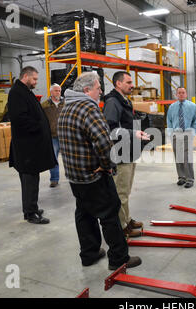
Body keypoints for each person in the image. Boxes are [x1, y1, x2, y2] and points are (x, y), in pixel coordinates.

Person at [57, 72, 141, 270]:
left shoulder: (66, 108)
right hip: (94, 175)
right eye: (98, 88)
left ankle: (90, 253)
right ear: (87, 90)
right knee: (110, 213)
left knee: (84, 214)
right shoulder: (88, 109)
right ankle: (119, 258)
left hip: (75, 176)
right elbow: (104, 143)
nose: (101, 92)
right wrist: (107, 165)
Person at [103, 71, 150, 238]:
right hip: (120, 154)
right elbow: (111, 130)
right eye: (129, 82)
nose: (132, 85)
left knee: (126, 191)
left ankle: (127, 220)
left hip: (129, 152)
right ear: (118, 84)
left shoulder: (123, 100)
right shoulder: (112, 102)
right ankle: (121, 228)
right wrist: (133, 133)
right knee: (120, 193)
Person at [7, 66, 56, 224]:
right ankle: (30, 213)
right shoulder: (16, 93)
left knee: (31, 180)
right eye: (34, 79)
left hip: (30, 146)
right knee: (29, 180)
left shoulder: (24, 91)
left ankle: (31, 207)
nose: (36, 82)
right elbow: (19, 119)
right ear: (26, 76)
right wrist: (38, 128)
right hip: (26, 147)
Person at [166, 87, 196, 188]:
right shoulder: (172, 107)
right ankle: (181, 177)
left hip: (187, 133)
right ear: (176, 94)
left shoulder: (192, 106)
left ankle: (190, 179)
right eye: (179, 93)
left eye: (183, 93)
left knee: (187, 157)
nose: (181, 94)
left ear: (186, 94)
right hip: (176, 134)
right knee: (178, 157)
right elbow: (169, 121)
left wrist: (192, 133)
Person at [41, 83, 65, 188]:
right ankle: (54, 179)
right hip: (52, 136)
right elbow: (41, 120)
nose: (58, 92)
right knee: (53, 159)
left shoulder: (66, 103)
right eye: (56, 90)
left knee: (69, 158)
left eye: (59, 90)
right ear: (51, 92)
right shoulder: (44, 105)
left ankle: (73, 177)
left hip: (65, 136)